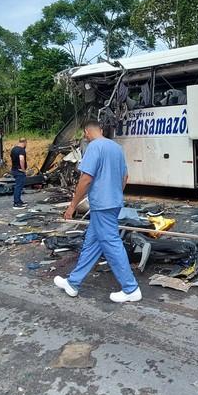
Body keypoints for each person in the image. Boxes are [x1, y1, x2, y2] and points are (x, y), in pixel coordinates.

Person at [54, 120, 141, 303]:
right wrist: (115, 194)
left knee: (111, 244)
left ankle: (131, 288)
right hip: (113, 202)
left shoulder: (94, 147)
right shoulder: (116, 148)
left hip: (102, 204)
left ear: (86, 132)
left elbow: (86, 179)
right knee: (92, 243)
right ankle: (73, 283)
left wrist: (72, 206)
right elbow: (125, 176)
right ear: (100, 130)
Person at [10, 137, 29, 210]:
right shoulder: (21, 150)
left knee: (18, 186)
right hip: (19, 171)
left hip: (14, 169)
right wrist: (23, 170)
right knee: (18, 187)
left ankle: (19, 201)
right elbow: (21, 159)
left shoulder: (14, 149)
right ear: (24, 142)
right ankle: (16, 203)